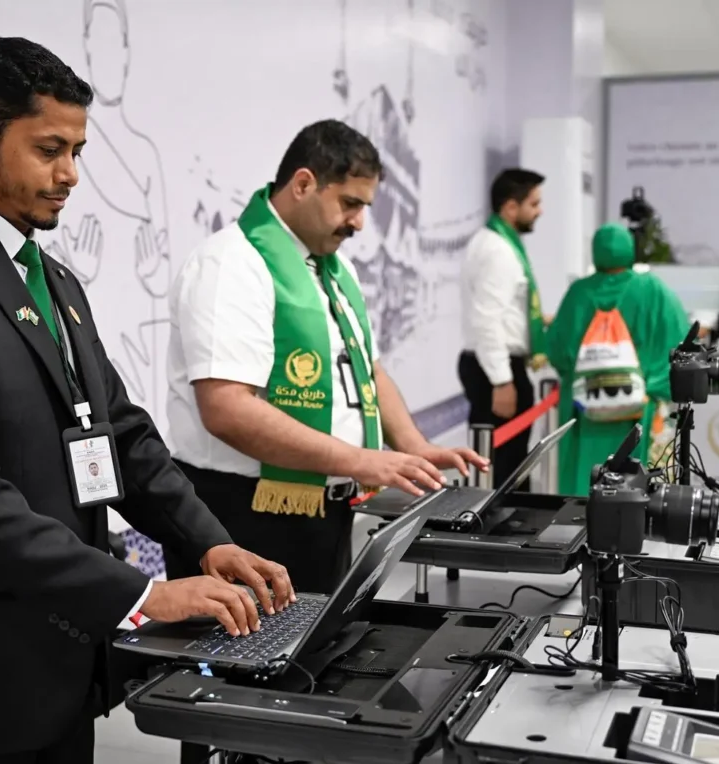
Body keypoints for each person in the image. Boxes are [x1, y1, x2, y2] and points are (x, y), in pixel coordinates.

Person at [0, 37, 294, 764]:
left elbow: (122, 434)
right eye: (50, 150)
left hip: (61, 674)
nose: (71, 175)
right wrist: (143, 596)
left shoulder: (52, 279)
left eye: (77, 151)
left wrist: (209, 542)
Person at [163, 119, 487, 594]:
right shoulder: (231, 264)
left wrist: (412, 446)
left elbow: (367, 370)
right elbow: (226, 409)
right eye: (350, 203)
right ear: (302, 184)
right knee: (253, 642)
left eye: (365, 207)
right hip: (240, 515)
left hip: (321, 511)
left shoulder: (335, 270)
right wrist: (360, 460)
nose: (359, 223)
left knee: (317, 638)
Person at [546, 223, 690, 496]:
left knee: (585, 487)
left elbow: (557, 351)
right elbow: (679, 344)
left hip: (585, 413)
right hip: (638, 412)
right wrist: (654, 385)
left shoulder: (578, 294)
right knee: (636, 488)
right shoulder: (653, 290)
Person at [459, 168, 550, 487]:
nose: (540, 211)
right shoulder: (498, 250)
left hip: (495, 366)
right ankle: (497, 520)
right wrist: (502, 380)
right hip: (496, 371)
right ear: (511, 207)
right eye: (534, 204)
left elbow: (502, 310)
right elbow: (487, 320)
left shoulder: (497, 243)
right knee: (503, 470)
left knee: (509, 464)